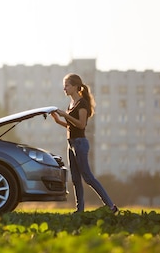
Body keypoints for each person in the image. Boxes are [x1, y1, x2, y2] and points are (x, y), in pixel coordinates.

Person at [51, 73, 118, 214]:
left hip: (80, 144)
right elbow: (71, 126)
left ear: (75, 87)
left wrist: (66, 115)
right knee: (75, 179)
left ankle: (111, 206)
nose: (64, 89)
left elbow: (81, 125)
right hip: (71, 143)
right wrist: (58, 120)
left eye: (67, 85)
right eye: (64, 86)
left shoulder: (82, 104)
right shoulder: (71, 104)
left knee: (87, 177)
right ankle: (79, 210)